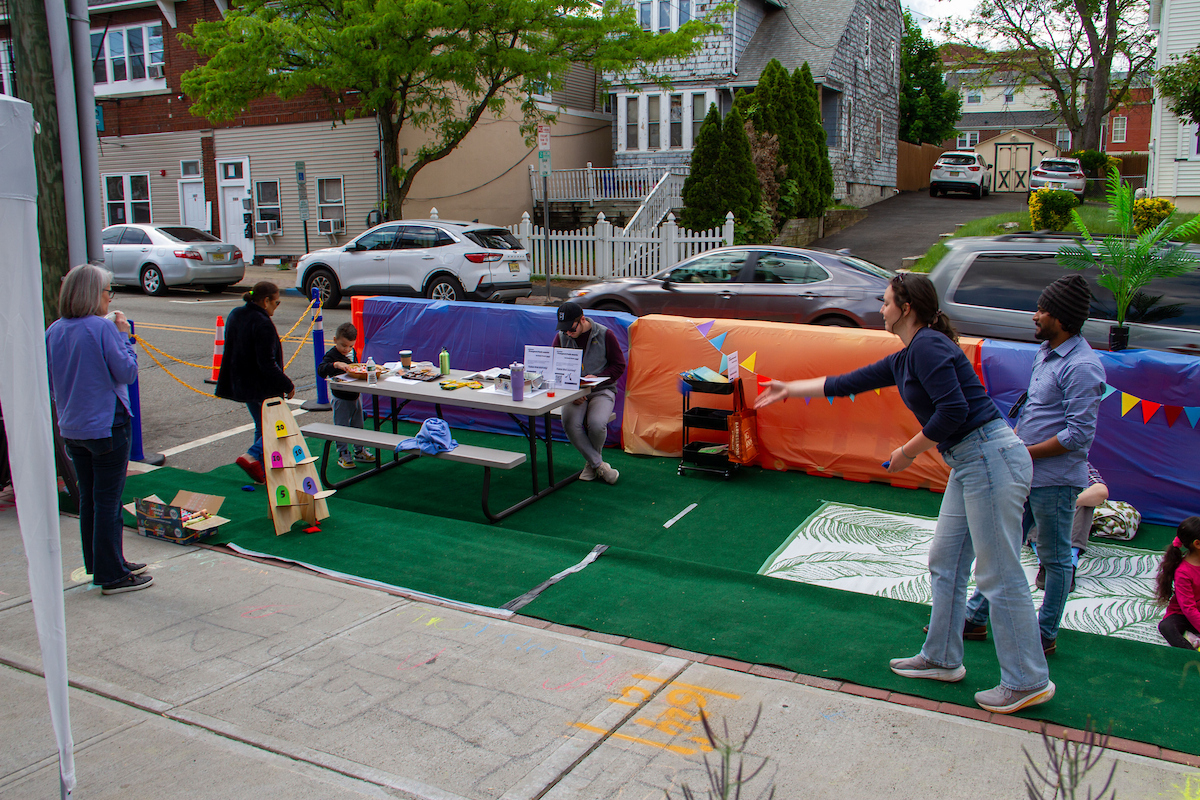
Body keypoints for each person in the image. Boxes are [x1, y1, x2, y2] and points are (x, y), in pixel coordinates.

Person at [756, 273, 1053, 714]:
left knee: (997, 573)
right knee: (946, 560)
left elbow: (953, 410)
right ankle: (942, 658)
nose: (880, 307)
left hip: (990, 459)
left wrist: (907, 453)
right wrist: (789, 389)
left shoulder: (929, 345)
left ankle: (1027, 679)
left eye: (886, 300)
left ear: (906, 307)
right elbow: (847, 382)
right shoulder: (908, 355)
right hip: (971, 462)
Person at [964, 275, 1105, 656]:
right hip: (1025, 474)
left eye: (1042, 310)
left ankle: (1045, 633)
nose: (1035, 316)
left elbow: (1078, 436)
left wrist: (1025, 453)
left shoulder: (1083, 367)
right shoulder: (1047, 353)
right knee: (1003, 546)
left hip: (1055, 481)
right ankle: (975, 619)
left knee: (1056, 559)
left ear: (1061, 319)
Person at [45, 264, 152, 594]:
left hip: (72, 426)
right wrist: (123, 336)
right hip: (107, 424)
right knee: (107, 501)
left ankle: (102, 562)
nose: (110, 299)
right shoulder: (101, 329)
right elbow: (127, 372)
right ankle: (111, 573)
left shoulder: (54, 330)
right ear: (95, 294)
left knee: (90, 498)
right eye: (108, 292)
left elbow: (52, 381)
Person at [215, 281, 295, 483]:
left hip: (241, 381)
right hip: (261, 385)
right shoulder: (263, 323)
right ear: (266, 301)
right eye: (276, 303)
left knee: (261, 425)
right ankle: (251, 456)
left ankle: (261, 465)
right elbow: (267, 362)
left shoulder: (236, 314)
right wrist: (287, 384)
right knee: (279, 424)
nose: (277, 307)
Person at [553, 302, 626, 485]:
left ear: (582, 319)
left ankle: (591, 464)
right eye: (564, 329)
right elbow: (554, 368)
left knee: (597, 423)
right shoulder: (561, 337)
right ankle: (599, 464)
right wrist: (572, 392)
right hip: (574, 392)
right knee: (570, 422)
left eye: (571, 329)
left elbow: (619, 366)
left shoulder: (605, 334)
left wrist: (599, 377)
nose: (567, 333)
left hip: (602, 390)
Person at [1033, 462, 1108, 592]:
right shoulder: (1028, 459)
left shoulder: (1076, 462)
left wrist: (1065, 502)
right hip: (1037, 519)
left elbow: (1100, 492)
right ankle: (1045, 562)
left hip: (1067, 518)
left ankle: (1068, 563)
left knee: (1086, 497)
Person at [316, 322, 376, 469]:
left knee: (358, 424)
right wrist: (335, 365)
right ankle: (343, 454)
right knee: (341, 426)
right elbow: (321, 369)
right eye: (343, 345)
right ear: (335, 340)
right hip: (341, 398)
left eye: (350, 346)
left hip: (355, 396)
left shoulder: (352, 352)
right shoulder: (332, 355)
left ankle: (359, 450)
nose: (346, 349)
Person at [1155, 517, 1200, 650]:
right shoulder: (1183, 572)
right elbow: (1189, 609)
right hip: (1185, 616)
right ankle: (1191, 651)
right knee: (1167, 627)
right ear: (1197, 544)